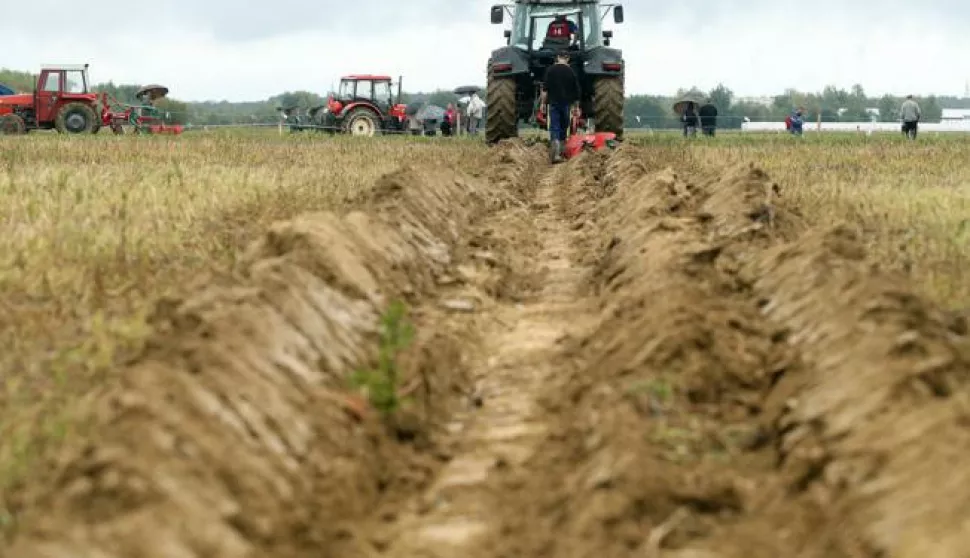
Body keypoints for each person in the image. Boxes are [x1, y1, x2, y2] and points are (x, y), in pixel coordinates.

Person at [543, 51, 581, 163]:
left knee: (555, 126)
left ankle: (555, 154)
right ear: (567, 58)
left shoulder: (550, 70)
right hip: (566, 104)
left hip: (553, 104)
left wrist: (543, 104)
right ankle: (562, 151)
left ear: (557, 57)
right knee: (564, 126)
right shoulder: (571, 71)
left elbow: (545, 90)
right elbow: (576, 92)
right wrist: (576, 107)